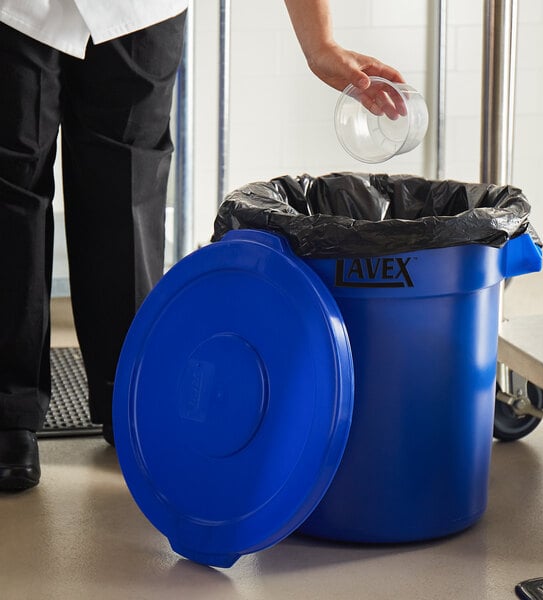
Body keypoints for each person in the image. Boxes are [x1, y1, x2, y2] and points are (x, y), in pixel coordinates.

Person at [0, 0, 404, 492]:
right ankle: (9, 413)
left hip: (137, 12)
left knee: (125, 190)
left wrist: (318, 43)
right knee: (8, 190)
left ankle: (127, 397)